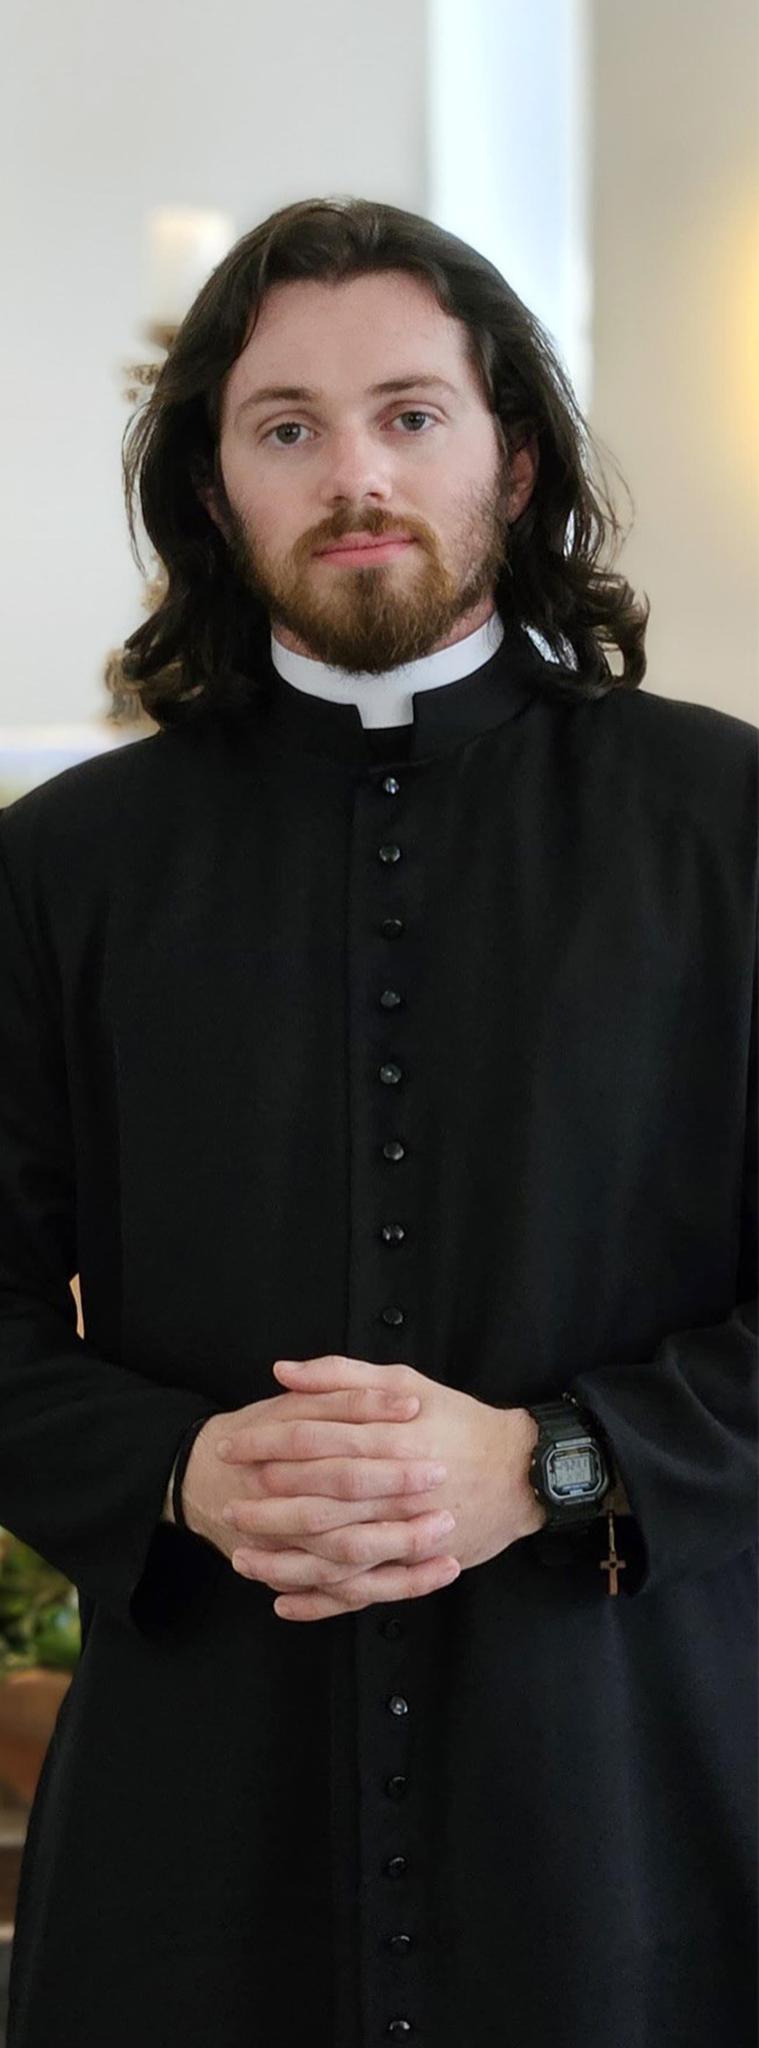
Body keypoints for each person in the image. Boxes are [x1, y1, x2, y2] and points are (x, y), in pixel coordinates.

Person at [0, 196, 755, 2048]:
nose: (357, 475)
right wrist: (180, 1470)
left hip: (635, 1814)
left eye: (412, 413)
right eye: (288, 427)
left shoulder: (728, 826)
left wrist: (554, 1464)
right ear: (213, 488)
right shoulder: (64, 867)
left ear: (514, 454)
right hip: (192, 1829)